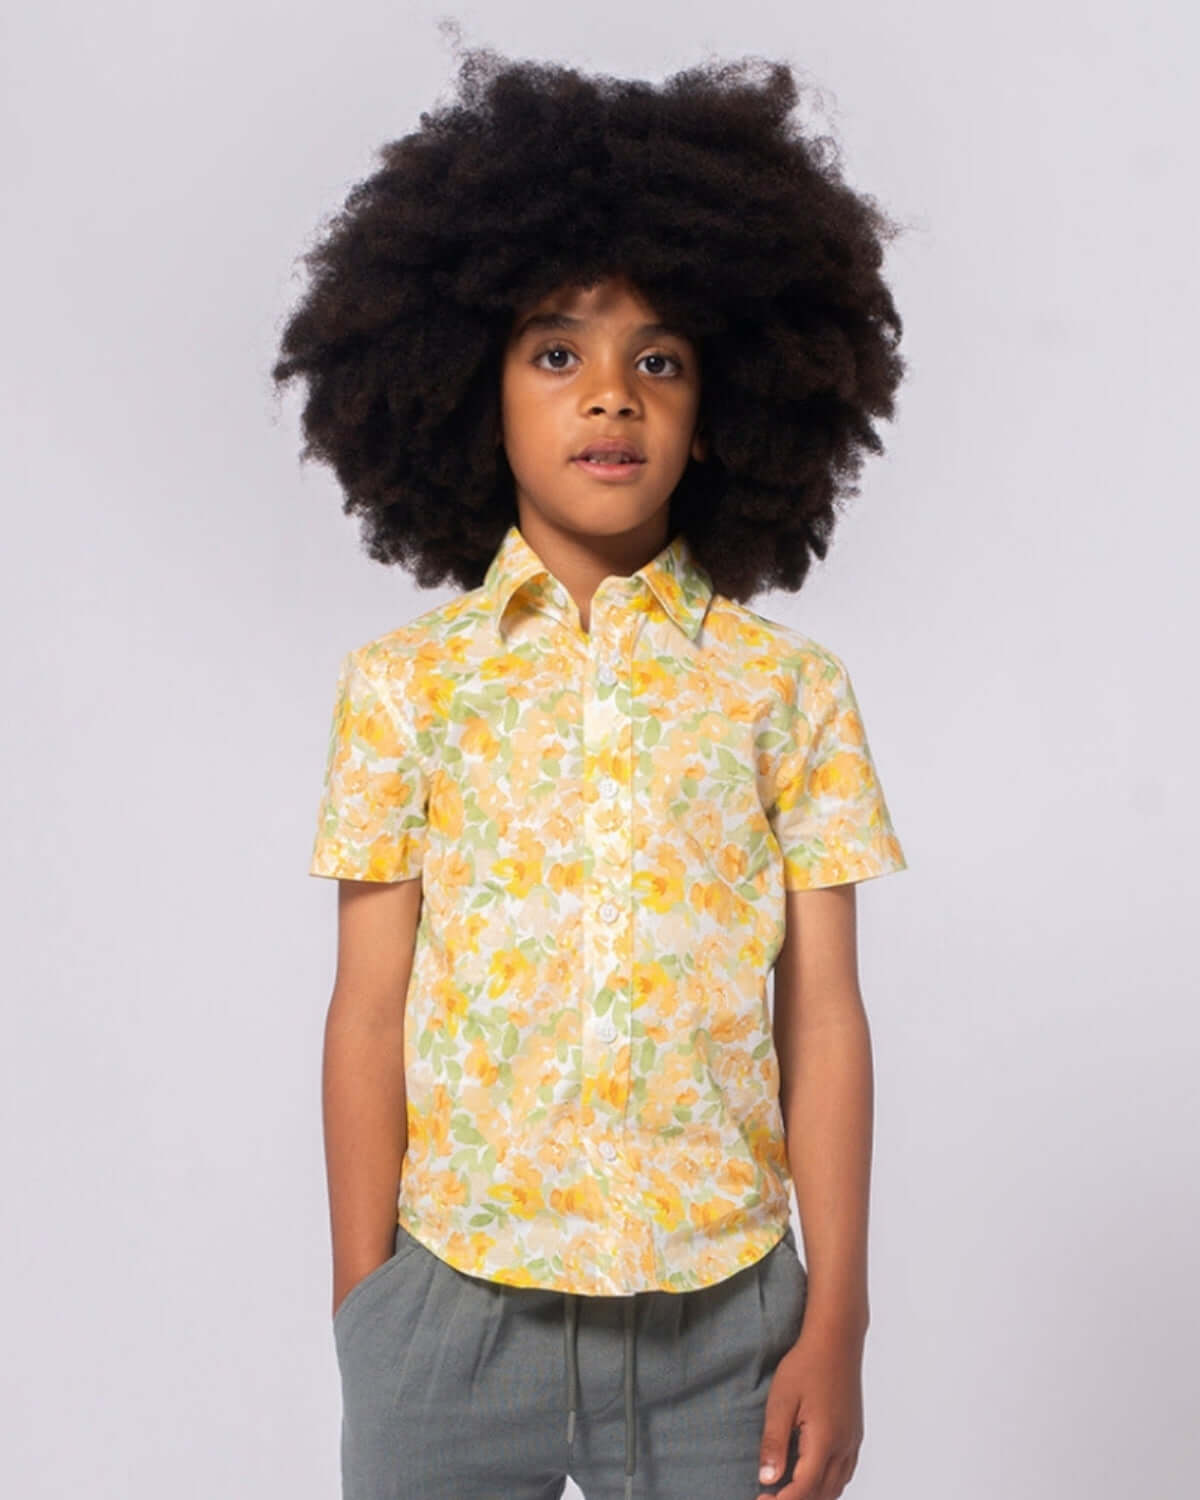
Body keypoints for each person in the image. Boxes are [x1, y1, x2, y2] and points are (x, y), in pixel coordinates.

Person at [274, 36, 910, 1500]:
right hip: (452, 1314)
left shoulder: (786, 690)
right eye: (557, 354)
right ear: (468, 386)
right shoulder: (405, 687)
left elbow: (824, 1015)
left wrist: (839, 1320)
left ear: (723, 410)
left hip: (729, 1331)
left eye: (658, 361)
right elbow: (367, 1011)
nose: (610, 396)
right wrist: (368, 1309)